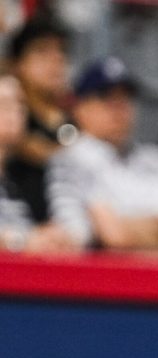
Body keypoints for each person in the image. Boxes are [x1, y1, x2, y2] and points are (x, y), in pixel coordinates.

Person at [47, 56, 158, 250]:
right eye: (106, 98)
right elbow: (115, 236)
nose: (119, 108)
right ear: (80, 107)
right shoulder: (72, 158)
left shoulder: (154, 157)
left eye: (126, 98)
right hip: (114, 270)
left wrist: (142, 230)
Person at [5, 18, 76, 223]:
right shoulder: (10, 122)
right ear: (16, 65)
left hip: (72, 231)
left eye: (61, 51)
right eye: (42, 50)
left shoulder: (78, 120)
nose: (56, 59)